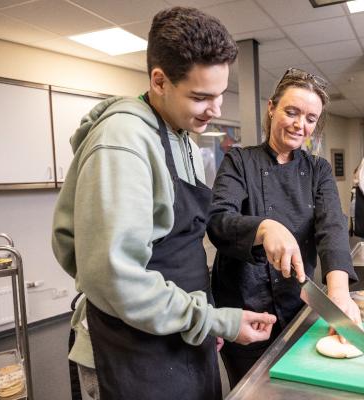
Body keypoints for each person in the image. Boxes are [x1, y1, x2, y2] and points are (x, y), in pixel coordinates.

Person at [51, 7, 277, 400]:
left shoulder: (182, 137)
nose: (216, 109)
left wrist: (203, 319)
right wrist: (211, 319)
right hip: (131, 350)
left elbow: (181, 244)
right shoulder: (122, 142)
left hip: (178, 334)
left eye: (220, 94)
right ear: (159, 81)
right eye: (201, 97)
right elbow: (115, 278)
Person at [207, 68, 360, 387]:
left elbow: (332, 227)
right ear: (271, 107)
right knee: (252, 390)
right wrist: (263, 229)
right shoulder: (239, 162)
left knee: (300, 387)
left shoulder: (318, 170)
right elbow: (218, 221)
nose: (299, 124)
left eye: (310, 118)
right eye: (291, 112)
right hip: (246, 310)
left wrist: (339, 294)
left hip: (297, 304)